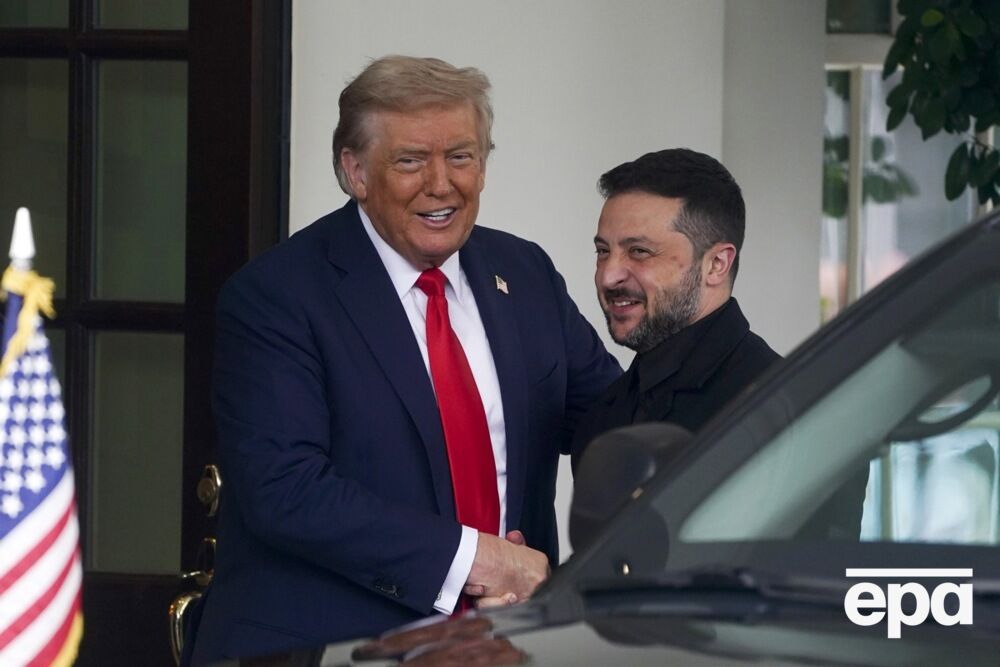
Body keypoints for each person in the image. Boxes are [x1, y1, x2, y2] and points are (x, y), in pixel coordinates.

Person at [187, 55, 620, 664]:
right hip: (332, 647)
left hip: (503, 646)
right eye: (411, 161)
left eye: (461, 156)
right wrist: (479, 560)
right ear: (355, 172)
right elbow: (286, 491)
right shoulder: (276, 296)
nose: (441, 184)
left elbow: (614, 424)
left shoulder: (524, 274)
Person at [570, 148, 780, 471]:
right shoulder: (603, 416)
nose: (608, 276)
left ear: (716, 264)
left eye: (639, 251)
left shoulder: (781, 409)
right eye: (603, 251)